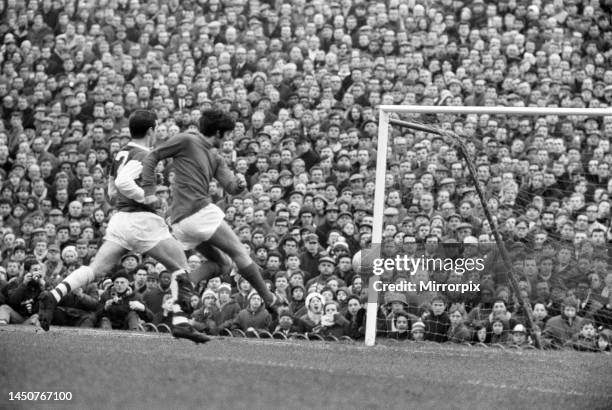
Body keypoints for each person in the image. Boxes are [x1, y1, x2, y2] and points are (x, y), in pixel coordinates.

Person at [38, 111, 209, 343]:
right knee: (181, 267)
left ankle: (54, 294)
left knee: (95, 269)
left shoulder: (121, 153)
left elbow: (111, 191)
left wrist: (127, 198)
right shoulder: (143, 153)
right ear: (151, 130)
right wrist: (149, 198)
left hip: (121, 219)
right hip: (143, 221)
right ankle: (181, 322)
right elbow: (122, 183)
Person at [139, 109, 285, 312]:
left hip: (181, 222)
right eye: (228, 134)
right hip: (198, 212)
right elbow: (152, 156)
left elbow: (231, 187)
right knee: (240, 253)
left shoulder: (214, 156)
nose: (229, 139)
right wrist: (149, 192)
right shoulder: (187, 140)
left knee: (223, 265)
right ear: (218, 132)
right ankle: (270, 300)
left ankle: (187, 282)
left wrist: (240, 185)